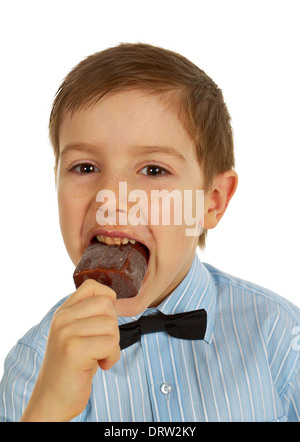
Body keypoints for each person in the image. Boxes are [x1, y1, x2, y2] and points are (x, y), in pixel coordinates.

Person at [0, 43, 299, 422]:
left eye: (153, 170)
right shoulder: (35, 363)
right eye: (85, 167)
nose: (111, 200)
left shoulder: (283, 337)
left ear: (213, 201)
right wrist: (49, 409)